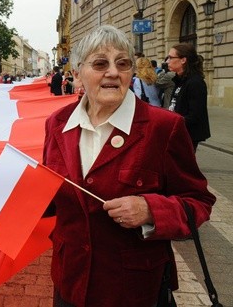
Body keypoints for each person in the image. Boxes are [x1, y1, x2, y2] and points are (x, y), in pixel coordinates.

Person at [43, 25, 216, 307]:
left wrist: (150, 210)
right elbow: (53, 196)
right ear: (77, 74)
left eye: (122, 63)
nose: (113, 71)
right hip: (70, 281)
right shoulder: (57, 124)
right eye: (100, 63)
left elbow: (199, 201)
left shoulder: (164, 127)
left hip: (133, 289)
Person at [167, 43, 211, 152]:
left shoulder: (195, 83)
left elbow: (195, 115)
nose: (167, 61)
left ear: (183, 60)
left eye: (171, 57)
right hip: (177, 132)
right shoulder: (179, 80)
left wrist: (170, 121)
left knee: (182, 167)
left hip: (187, 135)